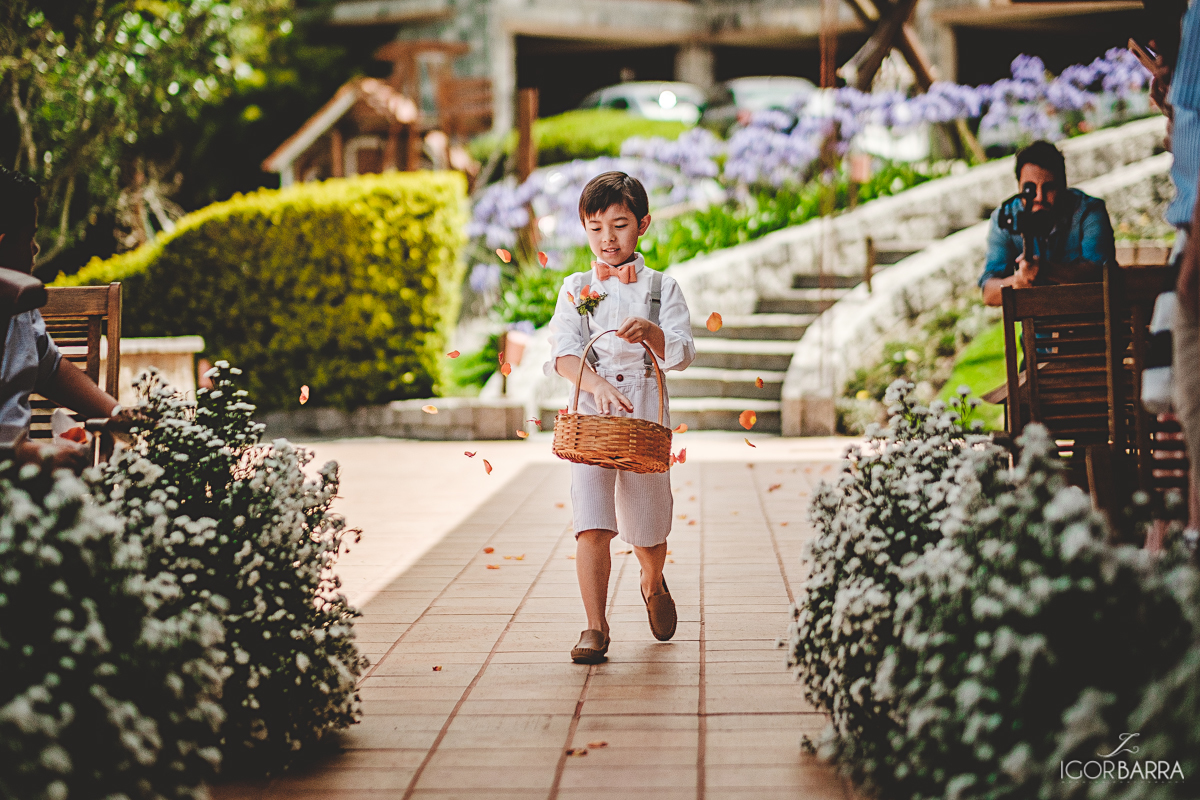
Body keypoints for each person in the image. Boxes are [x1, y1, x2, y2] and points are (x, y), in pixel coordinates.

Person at [545, 171, 696, 664]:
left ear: (643, 225)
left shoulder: (661, 288)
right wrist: (597, 385)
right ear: (584, 229)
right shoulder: (576, 288)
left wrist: (652, 332)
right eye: (595, 227)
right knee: (591, 521)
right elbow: (565, 355)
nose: (608, 239)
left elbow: (681, 353)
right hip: (590, 418)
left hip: (645, 419)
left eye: (619, 225)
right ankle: (595, 627)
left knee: (648, 520)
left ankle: (652, 580)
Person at [0, 166, 123, 472]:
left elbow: (51, 368)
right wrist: (29, 456)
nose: (35, 249)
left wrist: (118, 413)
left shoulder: (20, 306)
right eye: (29, 237)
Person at [979, 140, 1116, 306]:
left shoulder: (1088, 211)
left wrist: (1045, 269)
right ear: (1019, 187)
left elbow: (1101, 273)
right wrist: (1018, 281)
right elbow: (988, 292)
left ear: (1063, 185)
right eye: (1029, 189)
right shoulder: (1006, 218)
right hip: (1037, 330)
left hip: (1093, 320)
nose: (1039, 197)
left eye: (1049, 188)